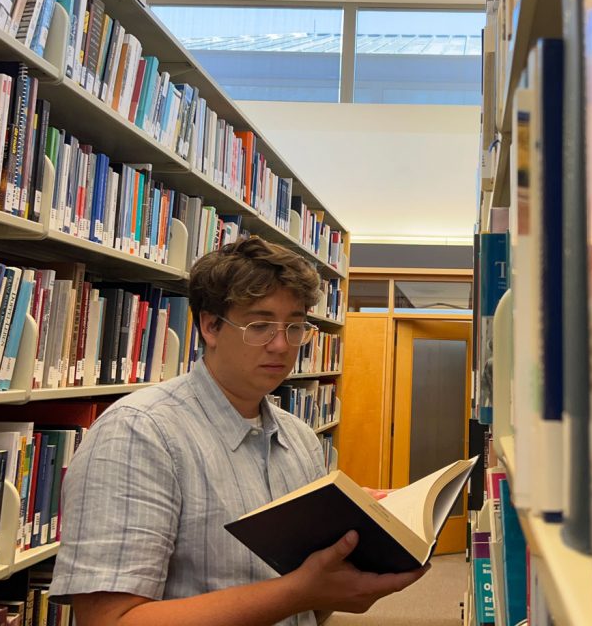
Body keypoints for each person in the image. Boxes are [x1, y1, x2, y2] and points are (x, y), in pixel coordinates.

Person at [49, 236, 427, 626]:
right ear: (210, 326)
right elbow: (111, 620)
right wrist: (298, 591)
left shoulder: (299, 439)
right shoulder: (139, 433)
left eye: (295, 326)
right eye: (260, 325)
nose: (281, 345)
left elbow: (311, 604)